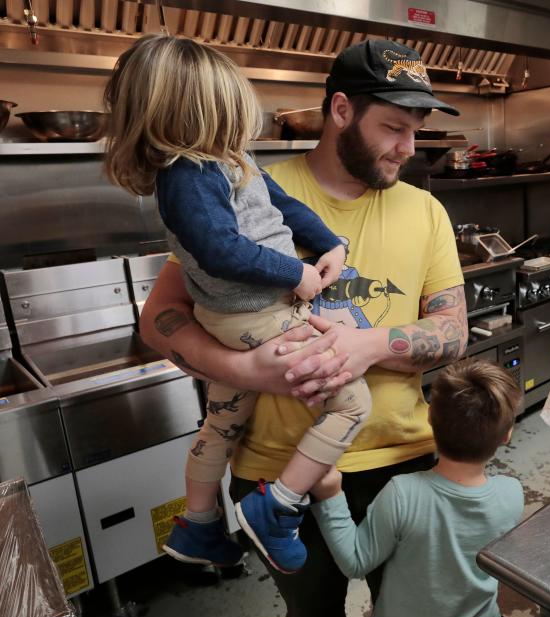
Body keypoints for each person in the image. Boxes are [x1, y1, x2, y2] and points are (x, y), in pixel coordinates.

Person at [138, 38, 469, 617]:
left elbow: (453, 333)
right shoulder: (244, 185)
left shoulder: (426, 211)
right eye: (394, 127)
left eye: (415, 131)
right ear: (340, 111)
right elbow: (159, 316)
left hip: (401, 465)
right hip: (271, 469)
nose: (408, 148)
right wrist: (243, 371)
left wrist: (367, 347)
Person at [102, 34, 373, 573]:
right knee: (352, 405)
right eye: (231, 110)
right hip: (257, 317)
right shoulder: (187, 174)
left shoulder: (227, 161)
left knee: (223, 423)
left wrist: (329, 244)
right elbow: (220, 249)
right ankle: (279, 507)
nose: (241, 123)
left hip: (242, 319)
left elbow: (284, 205)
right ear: (199, 112)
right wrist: (295, 271)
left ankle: (199, 526)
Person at [310, 359, 524, 617]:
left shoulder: (403, 494)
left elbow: (356, 561)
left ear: (429, 419)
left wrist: (330, 496)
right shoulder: (512, 494)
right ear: (507, 434)